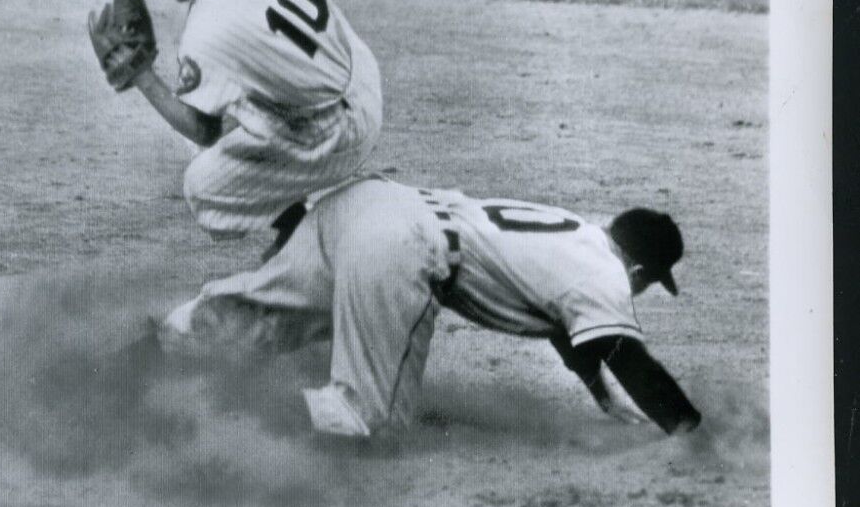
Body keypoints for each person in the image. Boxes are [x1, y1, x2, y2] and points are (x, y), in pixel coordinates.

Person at [157, 175, 701, 441]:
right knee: (370, 424)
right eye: (652, 284)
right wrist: (690, 431)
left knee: (247, 323)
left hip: (363, 204)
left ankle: (139, 366)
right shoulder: (607, 277)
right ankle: (239, 411)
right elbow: (631, 359)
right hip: (404, 249)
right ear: (639, 271)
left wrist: (602, 396)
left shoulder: (579, 236)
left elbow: (571, 331)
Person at [113, 0, 382, 246]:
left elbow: (203, 130)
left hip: (340, 135)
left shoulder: (207, 34)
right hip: (362, 78)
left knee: (204, 183)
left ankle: (303, 238)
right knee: (237, 100)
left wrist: (142, 76)